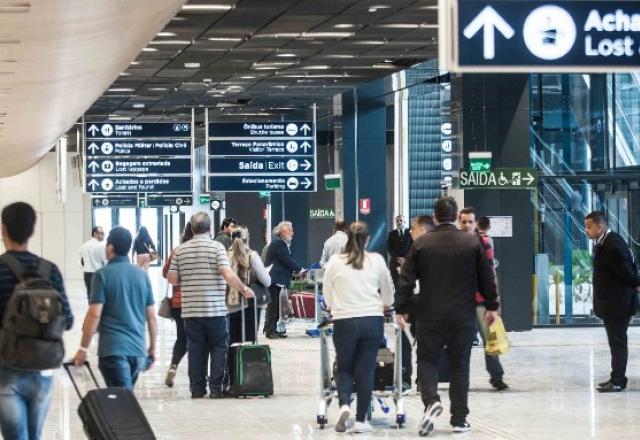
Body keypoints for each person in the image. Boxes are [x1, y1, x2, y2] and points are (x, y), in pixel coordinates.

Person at [396, 197, 499, 435]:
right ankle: (459, 420)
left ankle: (431, 401)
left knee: (427, 360)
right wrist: (492, 306)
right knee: (459, 367)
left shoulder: (421, 244)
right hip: (463, 314)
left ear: (435, 216)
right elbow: (487, 277)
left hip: (429, 313)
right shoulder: (472, 243)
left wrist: (402, 309)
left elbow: (406, 280)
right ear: (455, 217)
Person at [0, 202, 74, 440]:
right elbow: (69, 320)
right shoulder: (49, 270)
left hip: (6, 368)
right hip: (43, 368)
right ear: (32, 230)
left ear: (3, 229)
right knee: (34, 436)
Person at [167, 212, 254, 399]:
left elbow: (172, 278)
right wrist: (244, 289)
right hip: (215, 310)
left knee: (195, 349)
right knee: (218, 347)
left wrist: (188, 275)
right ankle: (216, 389)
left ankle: (197, 389)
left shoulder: (180, 250)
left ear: (191, 228)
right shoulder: (217, 248)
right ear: (209, 228)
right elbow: (226, 273)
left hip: (190, 311)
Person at [323, 221, 394, 434]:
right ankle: (362, 420)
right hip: (372, 321)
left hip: (344, 321)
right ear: (368, 240)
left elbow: (327, 297)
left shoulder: (334, 262)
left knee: (344, 367)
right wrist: (383, 304)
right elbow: (389, 295)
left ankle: (344, 404)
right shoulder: (377, 260)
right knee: (366, 369)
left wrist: (336, 306)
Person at [73, 227, 157, 392]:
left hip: (114, 351)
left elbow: (94, 314)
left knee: (123, 403)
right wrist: (152, 348)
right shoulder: (142, 276)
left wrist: (83, 348)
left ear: (110, 248)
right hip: (137, 352)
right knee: (123, 398)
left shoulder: (102, 275)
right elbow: (152, 317)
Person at [584, 211, 640, 392]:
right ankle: (615, 377)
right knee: (615, 342)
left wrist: (637, 284)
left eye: (589, 226)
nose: (586, 230)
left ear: (600, 226)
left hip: (618, 304)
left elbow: (628, 273)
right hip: (612, 304)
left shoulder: (612, 244)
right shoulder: (604, 243)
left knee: (617, 343)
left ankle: (618, 381)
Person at [458, 207, 508, 391]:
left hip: (480, 301)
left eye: (470, 222)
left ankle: (496, 377)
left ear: (476, 223)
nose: (467, 225)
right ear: (458, 221)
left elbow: (490, 273)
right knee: (461, 343)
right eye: (463, 222)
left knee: (490, 340)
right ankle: (461, 377)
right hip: (460, 302)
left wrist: (494, 300)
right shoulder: (453, 244)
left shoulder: (484, 243)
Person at [399, 215, 434, 391]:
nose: (410, 231)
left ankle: (422, 380)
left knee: (425, 342)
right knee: (405, 340)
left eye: (413, 227)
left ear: (423, 228)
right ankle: (406, 378)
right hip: (413, 300)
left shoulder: (434, 248)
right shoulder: (413, 247)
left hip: (428, 302)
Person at [161, 223, 194, 388]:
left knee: (182, 337)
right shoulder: (206, 250)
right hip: (198, 302)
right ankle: (197, 377)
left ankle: (174, 366)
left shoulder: (177, 251)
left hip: (178, 302)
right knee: (198, 339)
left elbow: (165, 272)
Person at [227, 226, 271, 344]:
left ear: (230, 240)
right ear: (247, 239)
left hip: (230, 303)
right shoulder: (252, 256)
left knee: (231, 339)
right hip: (251, 303)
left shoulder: (225, 256)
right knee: (249, 339)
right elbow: (267, 281)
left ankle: (231, 361)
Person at [263, 221, 304, 339]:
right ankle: (270, 331)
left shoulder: (280, 242)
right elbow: (286, 259)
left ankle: (270, 328)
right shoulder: (279, 243)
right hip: (275, 279)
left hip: (276, 279)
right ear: (284, 231)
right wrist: (300, 269)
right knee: (274, 306)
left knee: (275, 306)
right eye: (291, 230)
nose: (293, 232)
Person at [79, 226, 107, 300]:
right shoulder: (101, 246)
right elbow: (105, 261)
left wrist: (85, 267)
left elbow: (80, 261)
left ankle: (91, 309)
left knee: (89, 295)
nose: (103, 235)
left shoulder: (84, 245)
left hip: (87, 274)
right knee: (98, 297)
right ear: (95, 234)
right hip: (98, 274)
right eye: (101, 233)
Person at [387, 215, 412, 286]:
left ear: (405, 221)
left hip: (407, 264)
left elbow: (412, 246)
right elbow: (389, 248)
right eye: (397, 221)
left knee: (407, 287)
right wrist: (397, 259)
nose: (399, 222)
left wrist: (405, 259)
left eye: (401, 220)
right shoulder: (391, 234)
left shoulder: (410, 232)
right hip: (394, 265)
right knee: (397, 286)